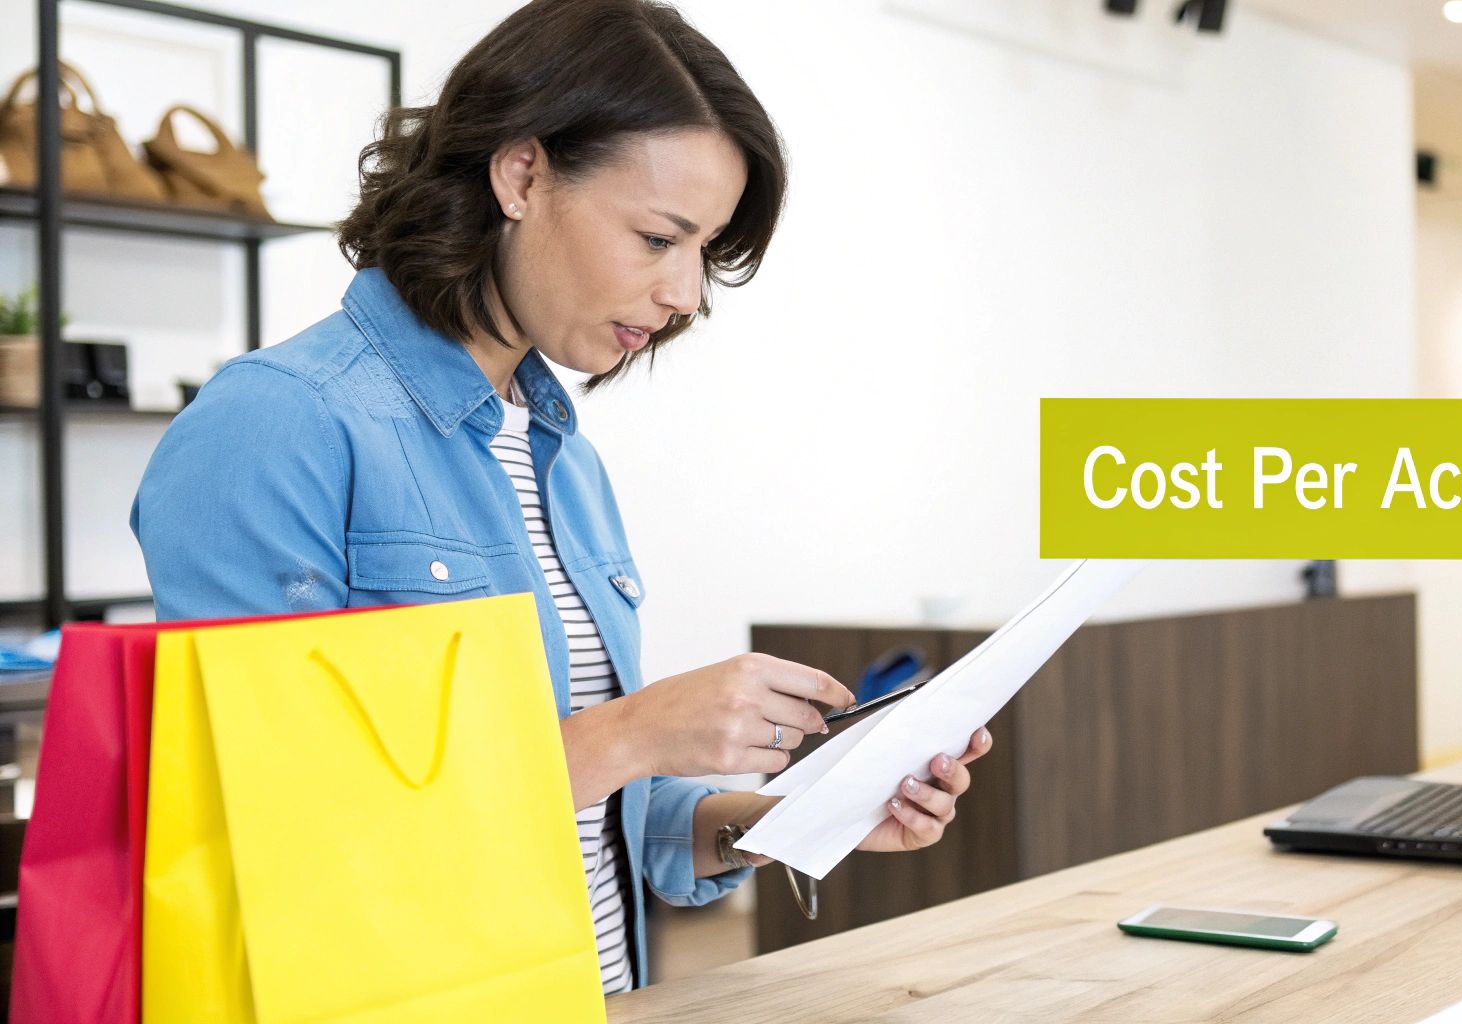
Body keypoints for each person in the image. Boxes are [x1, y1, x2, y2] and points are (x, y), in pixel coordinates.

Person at [131, 0, 990, 997]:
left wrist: (795, 818)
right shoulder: (277, 426)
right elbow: (275, 826)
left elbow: (591, 809)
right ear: (522, 173)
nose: (683, 294)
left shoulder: (558, 458)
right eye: (658, 237)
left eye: (702, 251)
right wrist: (633, 731)